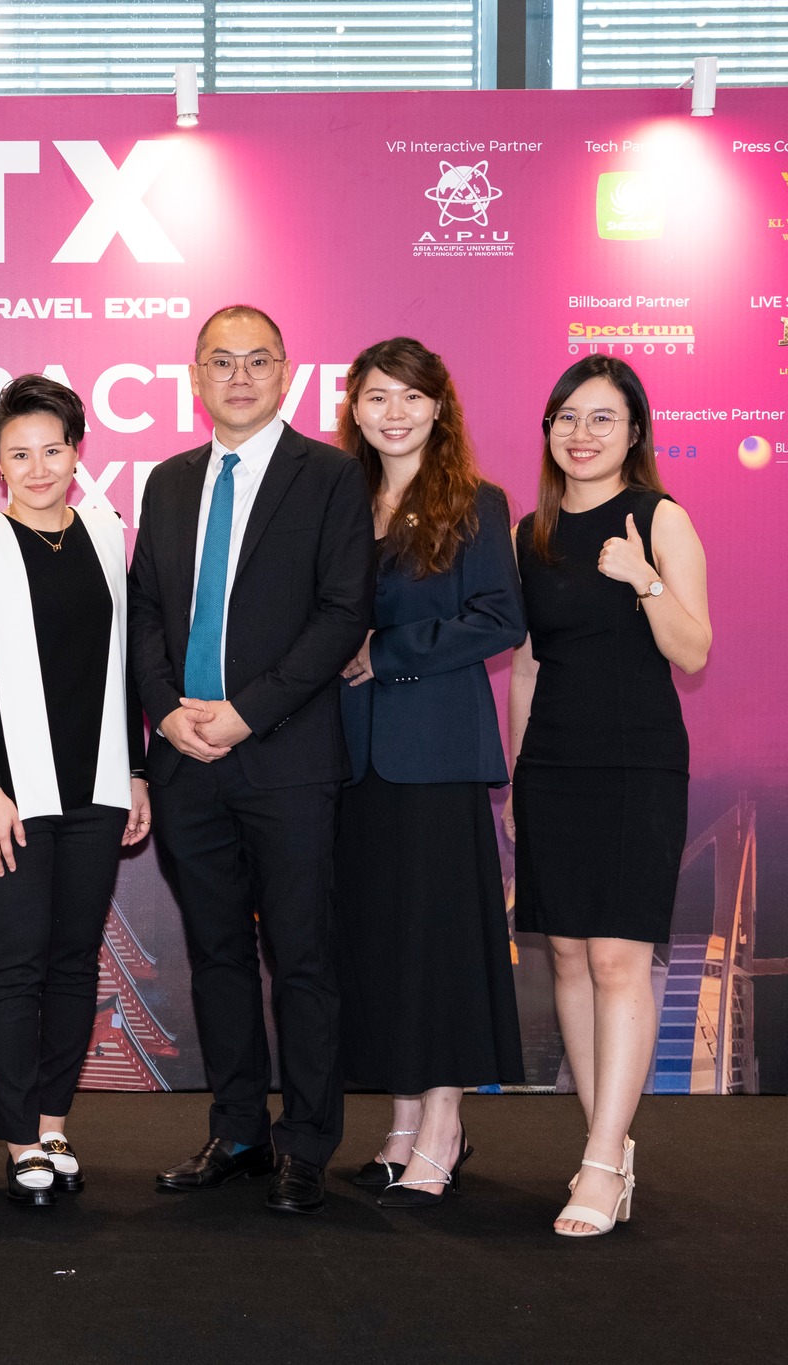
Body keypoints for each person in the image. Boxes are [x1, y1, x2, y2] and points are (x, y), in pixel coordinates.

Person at [126, 303, 374, 1214]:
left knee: (302, 956)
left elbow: (344, 613)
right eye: (221, 361)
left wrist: (246, 713)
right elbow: (145, 610)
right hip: (186, 759)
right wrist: (166, 713)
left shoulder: (331, 476)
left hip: (287, 756)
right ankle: (238, 1131)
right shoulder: (168, 481)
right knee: (217, 953)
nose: (239, 376)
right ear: (195, 377)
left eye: (257, 360)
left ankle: (306, 1141)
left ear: (287, 374)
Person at [507, 355, 709, 1237]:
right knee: (565, 957)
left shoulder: (661, 518)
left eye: (601, 418)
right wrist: (517, 775)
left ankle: (597, 1161)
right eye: (567, 418)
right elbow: (526, 664)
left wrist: (644, 577)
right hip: (551, 765)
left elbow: (694, 649)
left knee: (619, 959)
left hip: (637, 764)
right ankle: (610, 1148)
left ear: (634, 433)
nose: (581, 434)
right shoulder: (530, 532)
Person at [0, 375, 150, 1206]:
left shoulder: (106, 534)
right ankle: (19, 1138)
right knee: (18, 960)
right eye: (19, 453)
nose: (37, 468)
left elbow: (127, 663)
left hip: (97, 784)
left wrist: (137, 769)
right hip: (12, 793)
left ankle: (55, 1124)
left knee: (72, 960)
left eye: (52, 450)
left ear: (77, 452)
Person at [330, 337, 526, 1208]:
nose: (395, 413)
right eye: (378, 396)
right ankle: (403, 1123)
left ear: (439, 407)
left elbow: (501, 619)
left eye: (411, 396)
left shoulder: (476, 504)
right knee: (384, 944)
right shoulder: (338, 500)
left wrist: (389, 651)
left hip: (437, 755)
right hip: (351, 758)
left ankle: (444, 1125)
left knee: (438, 943)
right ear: (354, 407)